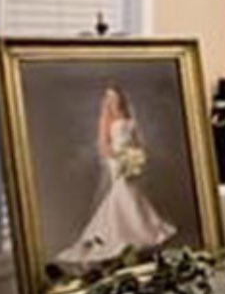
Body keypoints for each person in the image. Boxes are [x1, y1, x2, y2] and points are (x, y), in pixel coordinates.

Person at [55, 84, 176, 271]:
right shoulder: (107, 118)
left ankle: (139, 233)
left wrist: (136, 156)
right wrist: (120, 158)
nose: (113, 101)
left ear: (121, 97)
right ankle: (124, 235)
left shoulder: (129, 117)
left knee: (133, 194)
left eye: (116, 97)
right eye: (109, 98)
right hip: (116, 160)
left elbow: (137, 140)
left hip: (130, 157)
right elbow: (104, 145)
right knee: (124, 194)